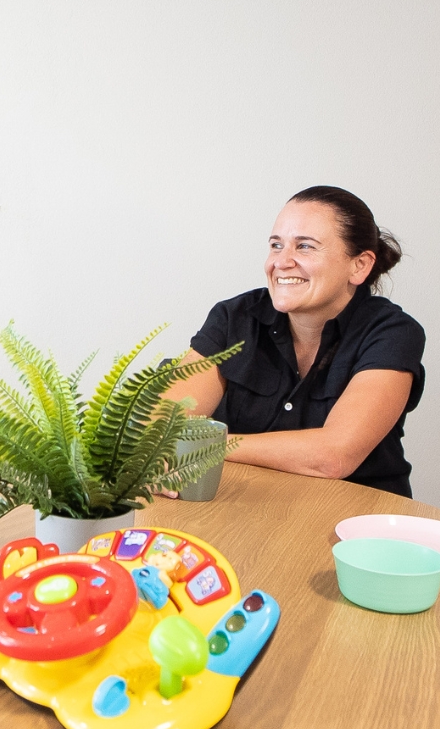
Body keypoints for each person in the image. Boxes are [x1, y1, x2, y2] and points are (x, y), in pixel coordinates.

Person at [165, 186, 425, 497]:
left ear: (360, 265)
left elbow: (333, 456)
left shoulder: (392, 332)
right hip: (249, 507)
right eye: (276, 245)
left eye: (305, 247)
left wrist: (203, 448)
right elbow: (163, 426)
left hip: (359, 524)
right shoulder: (234, 318)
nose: (281, 262)